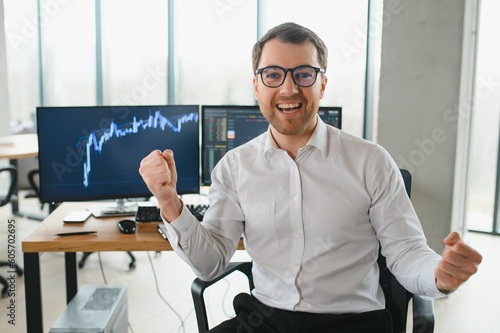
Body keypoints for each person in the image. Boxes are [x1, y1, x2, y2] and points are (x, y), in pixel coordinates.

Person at [139, 22, 483, 333]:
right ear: (257, 86)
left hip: (352, 323)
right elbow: (210, 264)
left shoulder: (371, 161)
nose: (288, 89)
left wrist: (440, 275)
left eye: (303, 74)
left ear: (323, 84)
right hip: (265, 320)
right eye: (273, 75)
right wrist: (168, 201)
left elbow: (406, 253)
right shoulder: (234, 167)